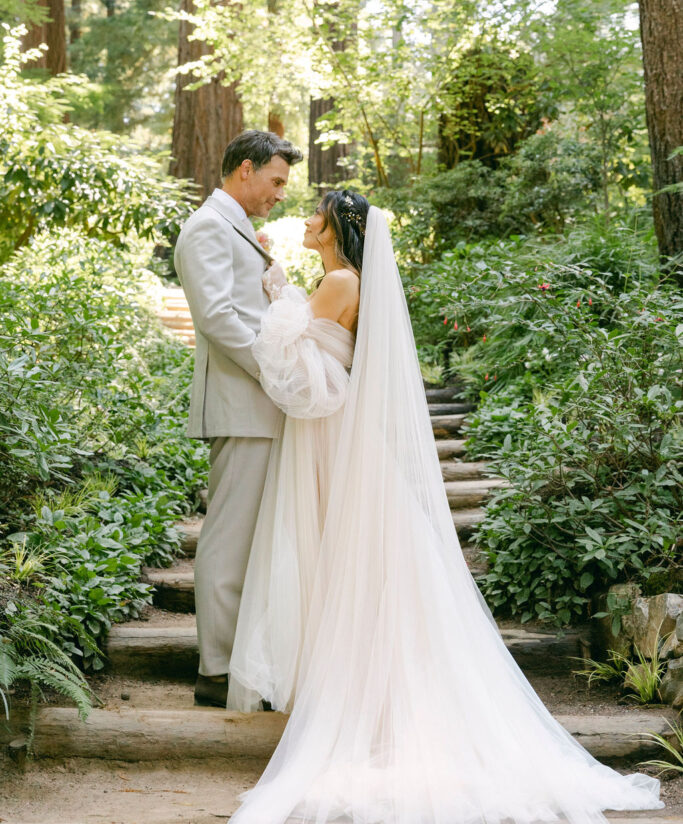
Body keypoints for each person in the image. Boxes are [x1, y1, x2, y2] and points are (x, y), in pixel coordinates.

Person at [225, 190, 663, 824]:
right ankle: (356, 695)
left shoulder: (341, 281)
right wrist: (287, 293)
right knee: (353, 557)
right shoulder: (339, 280)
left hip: (327, 434)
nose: (306, 218)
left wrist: (277, 298)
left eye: (316, 213)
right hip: (335, 429)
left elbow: (286, 365)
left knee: (341, 555)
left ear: (336, 228)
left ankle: (360, 705)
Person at [173, 128, 302, 708]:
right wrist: (273, 372)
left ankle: (244, 658)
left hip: (259, 406)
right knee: (228, 540)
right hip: (243, 404)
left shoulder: (234, 228)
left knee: (254, 539)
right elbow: (218, 317)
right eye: (275, 180)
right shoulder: (205, 228)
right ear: (245, 170)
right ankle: (216, 669)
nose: (279, 193)